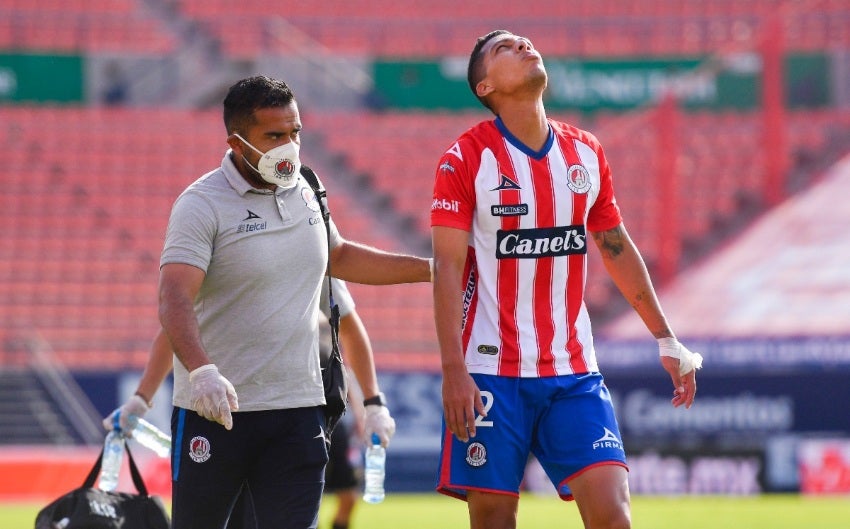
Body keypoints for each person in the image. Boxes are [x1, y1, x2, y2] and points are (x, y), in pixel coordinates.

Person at [430, 30, 703, 529]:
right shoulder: (465, 159)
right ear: (485, 87)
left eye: (523, 40)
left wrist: (665, 337)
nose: (523, 44)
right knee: (493, 520)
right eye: (504, 48)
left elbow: (615, 247)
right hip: (490, 372)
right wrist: (453, 368)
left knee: (615, 519)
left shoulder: (585, 153)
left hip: (573, 371)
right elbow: (446, 265)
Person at [157, 75, 430, 529]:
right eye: (275, 136)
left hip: (300, 410)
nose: (290, 146)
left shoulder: (307, 187)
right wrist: (202, 371)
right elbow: (173, 298)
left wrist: (431, 269)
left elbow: (338, 256)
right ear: (237, 142)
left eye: (295, 132)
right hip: (219, 412)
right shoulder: (200, 203)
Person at [103, 278, 388, 529]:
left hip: (301, 418)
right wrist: (140, 400)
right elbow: (174, 328)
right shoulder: (217, 252)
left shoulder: (312, 251)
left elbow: (350, 329)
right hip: (224, 416)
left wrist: (373, 403)